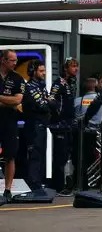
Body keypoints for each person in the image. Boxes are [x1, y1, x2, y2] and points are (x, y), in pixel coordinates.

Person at [22, 61, 57, 196]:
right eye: (41, 71)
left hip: (42, 125)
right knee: (35, 156)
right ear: (33, 71)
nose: (44, 73)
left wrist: (49, 102)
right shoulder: (30, 87)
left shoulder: (41, 86)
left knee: (41, 155)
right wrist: (49, 102)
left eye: (44, 70)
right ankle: (34, 185)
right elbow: (43, 106)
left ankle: (39, 183)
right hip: (33, 126)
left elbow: (53, 105)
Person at [49, 57, 78, 195]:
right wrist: (59, 115)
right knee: (60, 157)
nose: (76, 69)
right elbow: (51, 99)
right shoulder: (58, 83)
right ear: (65, 68)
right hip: (60, 126)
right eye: (73, 66)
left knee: (66, 156)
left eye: (76, 66)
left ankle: (65, 184)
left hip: (68, 125)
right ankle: (58, 186)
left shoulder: (70, 83)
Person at [0, 49, 25, 203]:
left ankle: (8, 190)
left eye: (16, 60)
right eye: (12, 60)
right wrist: (7, 101)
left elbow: (17, 100)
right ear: (3, 60)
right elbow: (11, 101)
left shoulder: (17, 78)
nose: (15, 63)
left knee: (10, 155)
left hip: (9, 122)